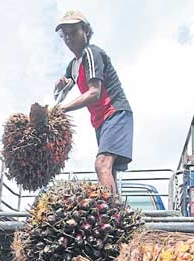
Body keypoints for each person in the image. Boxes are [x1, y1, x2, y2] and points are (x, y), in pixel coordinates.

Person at [55, 10, 133, 195]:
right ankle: (116, 215)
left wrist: (61, 109)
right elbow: (66, 85)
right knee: (109, 170)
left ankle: (109, 215)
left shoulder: (91, 52)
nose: (68, 38)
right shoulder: (74, 64)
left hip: (115, 112)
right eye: (64, 34)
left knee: (102, 164)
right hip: (101, 121)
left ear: (86, 32)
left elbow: (94, 93)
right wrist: (61, 84)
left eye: (73, 32)